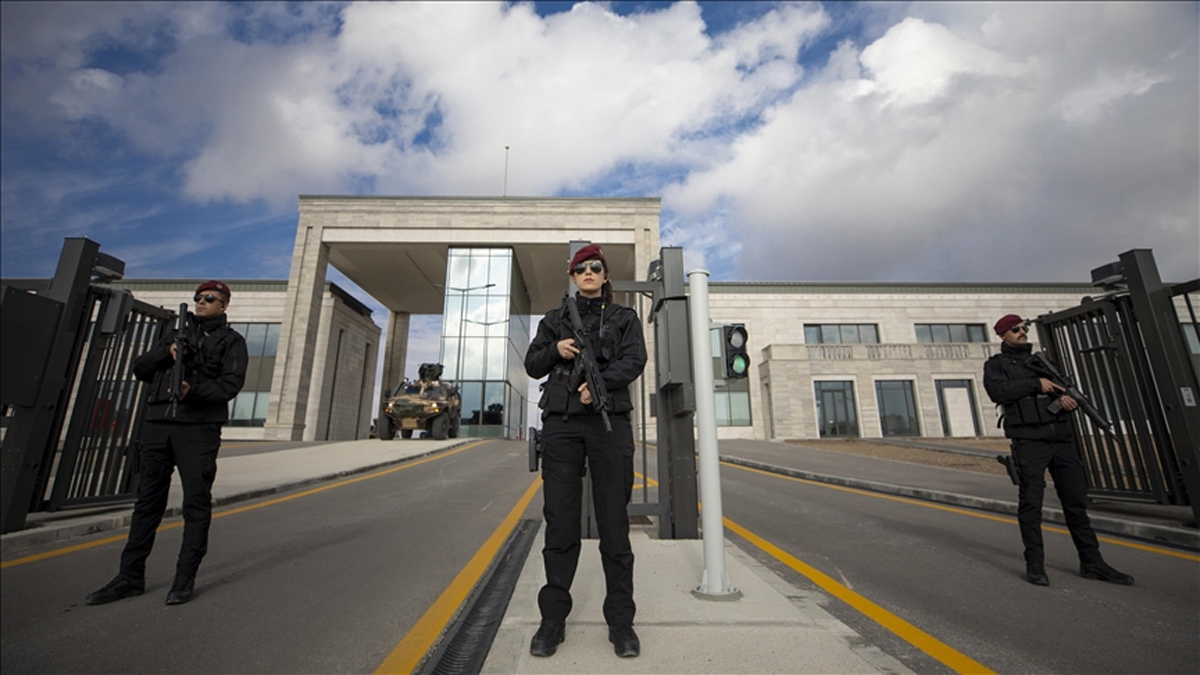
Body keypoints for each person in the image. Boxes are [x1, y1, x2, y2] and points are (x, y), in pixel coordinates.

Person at [86, 281, 247, 606]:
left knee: (196, 503)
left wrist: (192, 391)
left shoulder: (232, 341)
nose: (201, 302)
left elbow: (230, 385)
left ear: (224, 305)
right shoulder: (174, 335)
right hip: (158, 425)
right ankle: (129, 577)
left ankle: (183, 579)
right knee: (147, 504)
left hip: (198, 429)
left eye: (209, 298)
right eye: (198, 298)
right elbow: (140, 369)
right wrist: (168, 352)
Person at [525, 244, 648, 658]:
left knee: (614, 524)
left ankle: (621, 623)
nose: (589, 272)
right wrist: (555, 350)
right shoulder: (554, 319)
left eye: (596, 267)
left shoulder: (624, 318)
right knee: (560, 523)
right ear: (573, 275)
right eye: (582, 268)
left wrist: (601, 385)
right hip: (561, 426)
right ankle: (552, 621)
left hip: (608, 424)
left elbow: (635, 359)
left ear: (605, 275)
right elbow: (532, 365)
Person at [983, 313, 1133, 587]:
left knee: (1076, 504)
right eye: (1015, 329)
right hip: (1030, 442)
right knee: (1031, 504)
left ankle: (1092, 562)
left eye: (1023, 328)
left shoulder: (1045, 363)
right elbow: (998, 392)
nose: (1021, 332)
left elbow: (1062, 390)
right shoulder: (996, 365)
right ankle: (1035, 565)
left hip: (1061, 440)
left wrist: (1067, 400)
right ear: (1002, 335)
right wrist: (1035, 384)